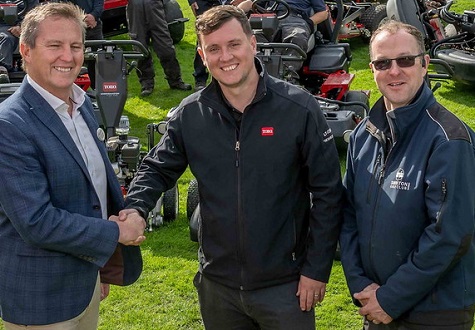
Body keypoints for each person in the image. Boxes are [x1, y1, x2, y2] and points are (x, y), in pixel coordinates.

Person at [121, 5, 343, 329]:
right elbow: (156, 168)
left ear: (252, 44)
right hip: (217, 287)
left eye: (233, 44)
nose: (225, 56)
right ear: (202, 54)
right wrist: (136, 208)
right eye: (213, 49)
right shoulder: (190, 115)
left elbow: (328, 194)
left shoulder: (299, 109)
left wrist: (316, 269)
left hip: (286, 286)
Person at [0, 2, 146, 329]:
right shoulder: (9, 126)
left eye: (76, 46)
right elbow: (36, 221)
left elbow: (89, 190)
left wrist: (100, 266)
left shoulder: (81, 106)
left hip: (85, 284)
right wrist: (116, 233)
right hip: (41, 302)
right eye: (55, 45)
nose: (68, 56)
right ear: (25, 50)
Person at [339, 20, 475, 329]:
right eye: (383, 63)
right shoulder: (363, 133)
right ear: (372, 69)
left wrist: (391, 299)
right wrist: (361, 286)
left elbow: (450, 235)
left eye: (405, 60)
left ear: (425, 64)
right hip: (375, 304)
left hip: (434, 314)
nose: (394, 71)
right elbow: (348, 215)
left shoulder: (449, 140)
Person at [234, 0, 328, 71]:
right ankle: (257, 70)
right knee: (252, 37)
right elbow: (252, 3)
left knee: (296, 37)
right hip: (269, 18)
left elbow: (323, 13)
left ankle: (287, 73)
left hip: (296, 20)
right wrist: (234, 11)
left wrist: (307, 23)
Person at [126, 0, 191, 96]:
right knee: (140, 49)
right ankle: (146, 84)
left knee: (166, 48)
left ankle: (175, 81)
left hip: (154, 7)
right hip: (135, 8)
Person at [188, 0, 231, 91]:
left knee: (226, 35)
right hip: (202, 3)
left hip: (226, 2)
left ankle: (223, 77)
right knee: (204, 37)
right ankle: (200, 78)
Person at [0, 0, 38, 83]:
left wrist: (21, 26)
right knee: (4, 37)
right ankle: (2, 70)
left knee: (6, 38)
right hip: (2, 26)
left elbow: (34, 15)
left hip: (24, 27)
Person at [70, 0, 105, 89]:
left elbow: (99, 4)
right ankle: (70, 89)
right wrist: (81, 19)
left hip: (94, 27)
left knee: (97, 59)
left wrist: (93, 16)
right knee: (71, 58)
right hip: (72, 27)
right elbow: (62, 4)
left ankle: (97, 89)